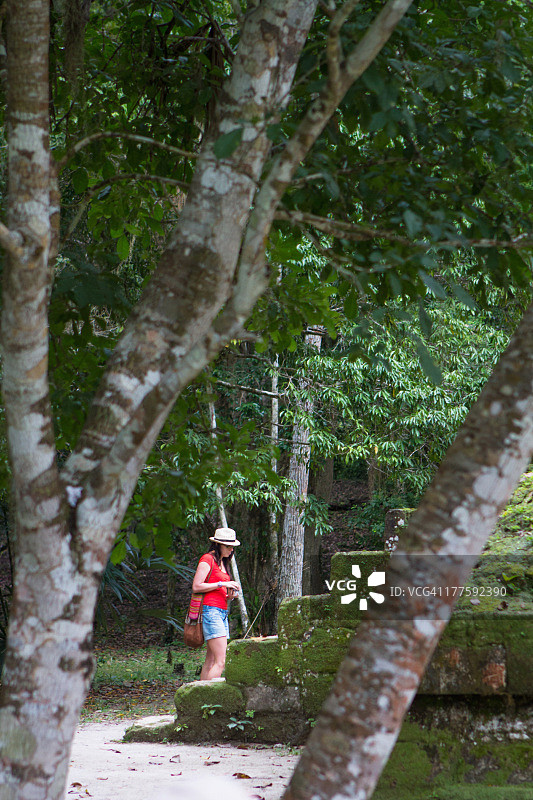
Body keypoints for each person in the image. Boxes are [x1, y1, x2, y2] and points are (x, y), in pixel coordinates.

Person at [192, 527, 241, 680]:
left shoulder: (223, 562)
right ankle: (209, 697)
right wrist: (220, 584)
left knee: (212, 660)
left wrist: (230, 595)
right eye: (228, 546)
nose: (231, 549)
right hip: (211, 611)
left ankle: (200, 697)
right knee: (221, 661)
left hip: (221, 611)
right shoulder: (208, 559)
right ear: (218, 545)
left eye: (232, 546)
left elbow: (217, 589)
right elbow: (196, 586)